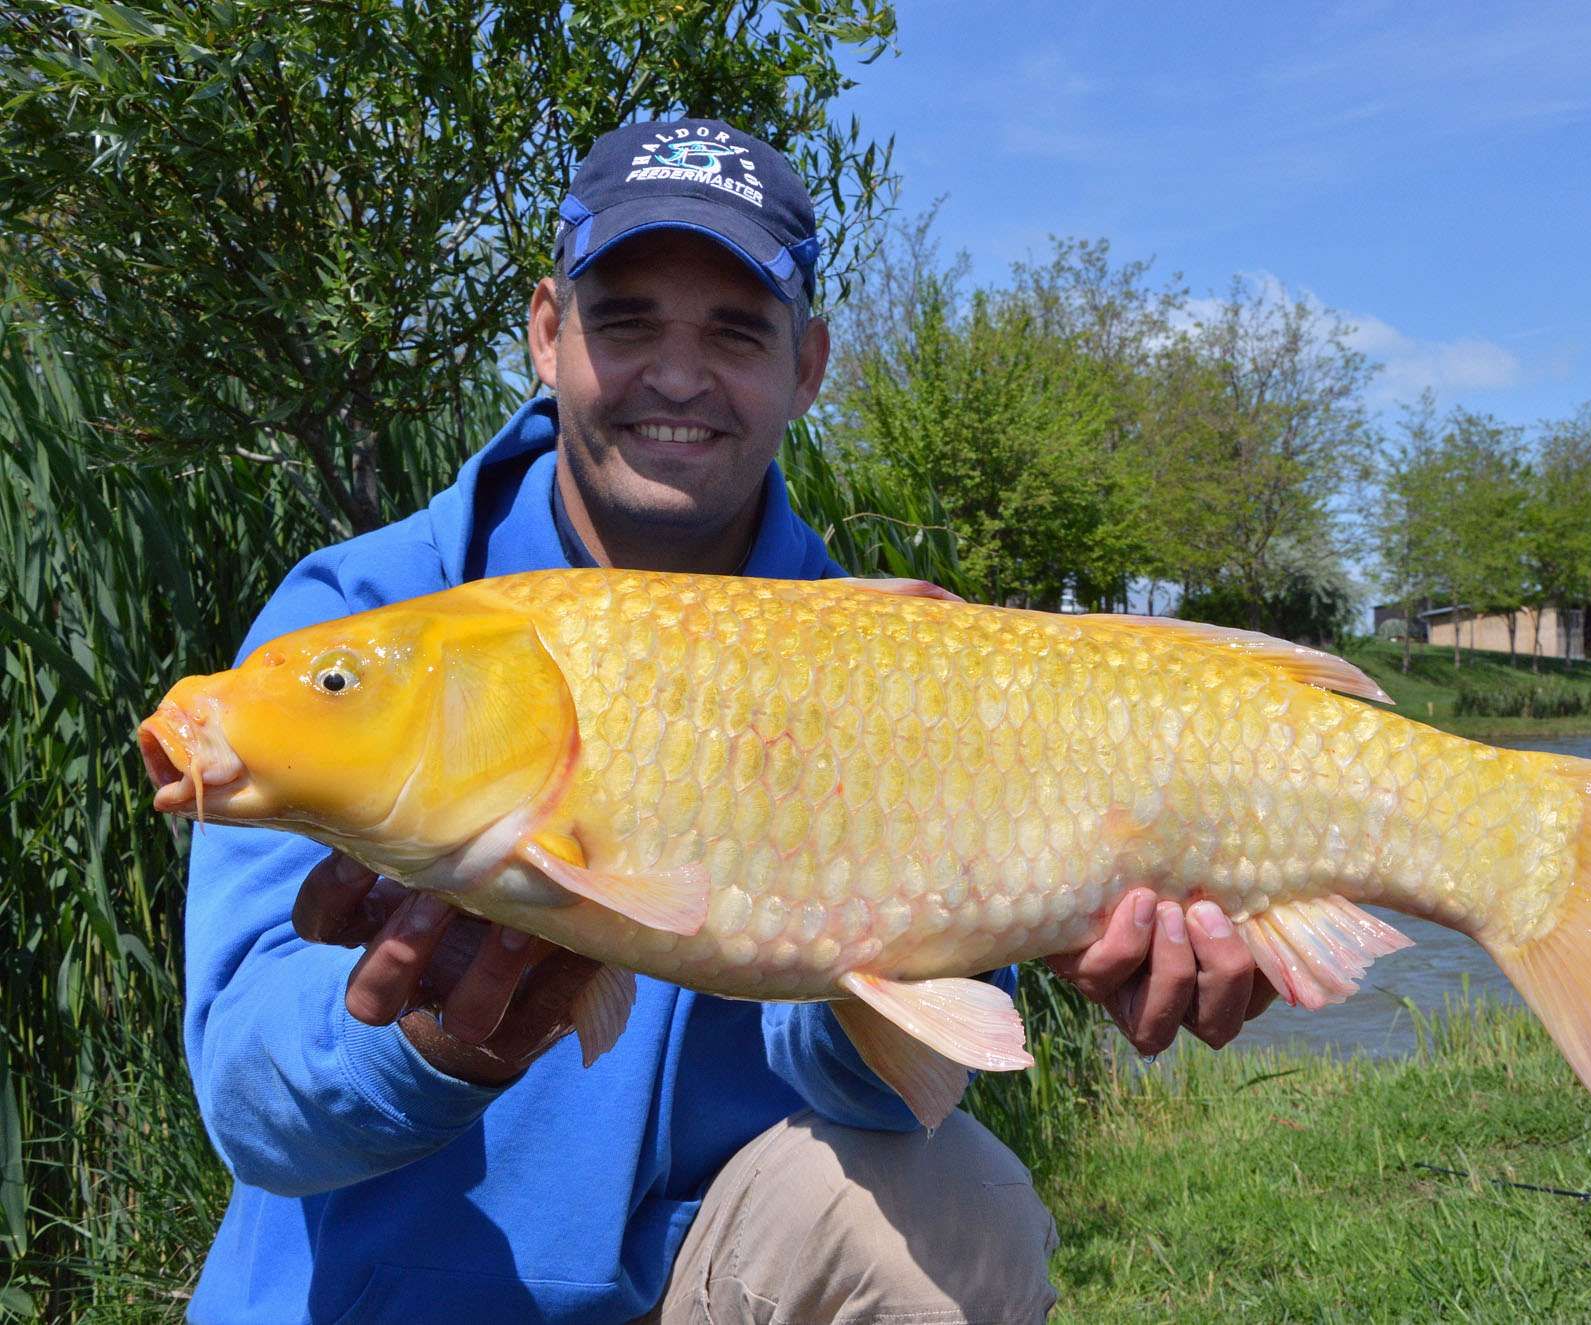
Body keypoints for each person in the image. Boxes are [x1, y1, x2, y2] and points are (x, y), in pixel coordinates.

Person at [181, 118, 1278, 1323]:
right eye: (629, 319)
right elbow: (246, 1101)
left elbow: (876, 1093)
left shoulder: (897, 666)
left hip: (701, 1290)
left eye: (735, 332)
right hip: (374, 1303)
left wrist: (1007, 939)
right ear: (548, 332)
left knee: (958, 1201)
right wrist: (431, 1042)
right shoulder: (373, 622)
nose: (678, 374)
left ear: (807, 366)